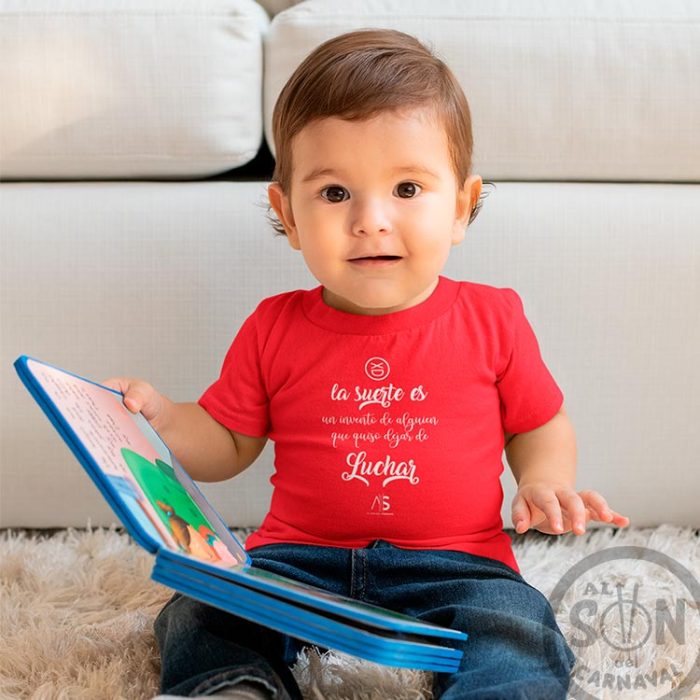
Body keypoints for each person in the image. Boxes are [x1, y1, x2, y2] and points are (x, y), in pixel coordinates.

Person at [104, 28, 629, 700]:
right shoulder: (274, 326)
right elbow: (227, 440)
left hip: (459, 564)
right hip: (295, 561)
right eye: (334, 194)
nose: (371, 220)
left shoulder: (493, 317)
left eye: (407, 188)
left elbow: (539, 422)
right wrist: (161, 419)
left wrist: (545, 480)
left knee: (517, 627)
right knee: (198, 611)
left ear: (463, 208)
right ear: (287, 214)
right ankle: (236, 688)